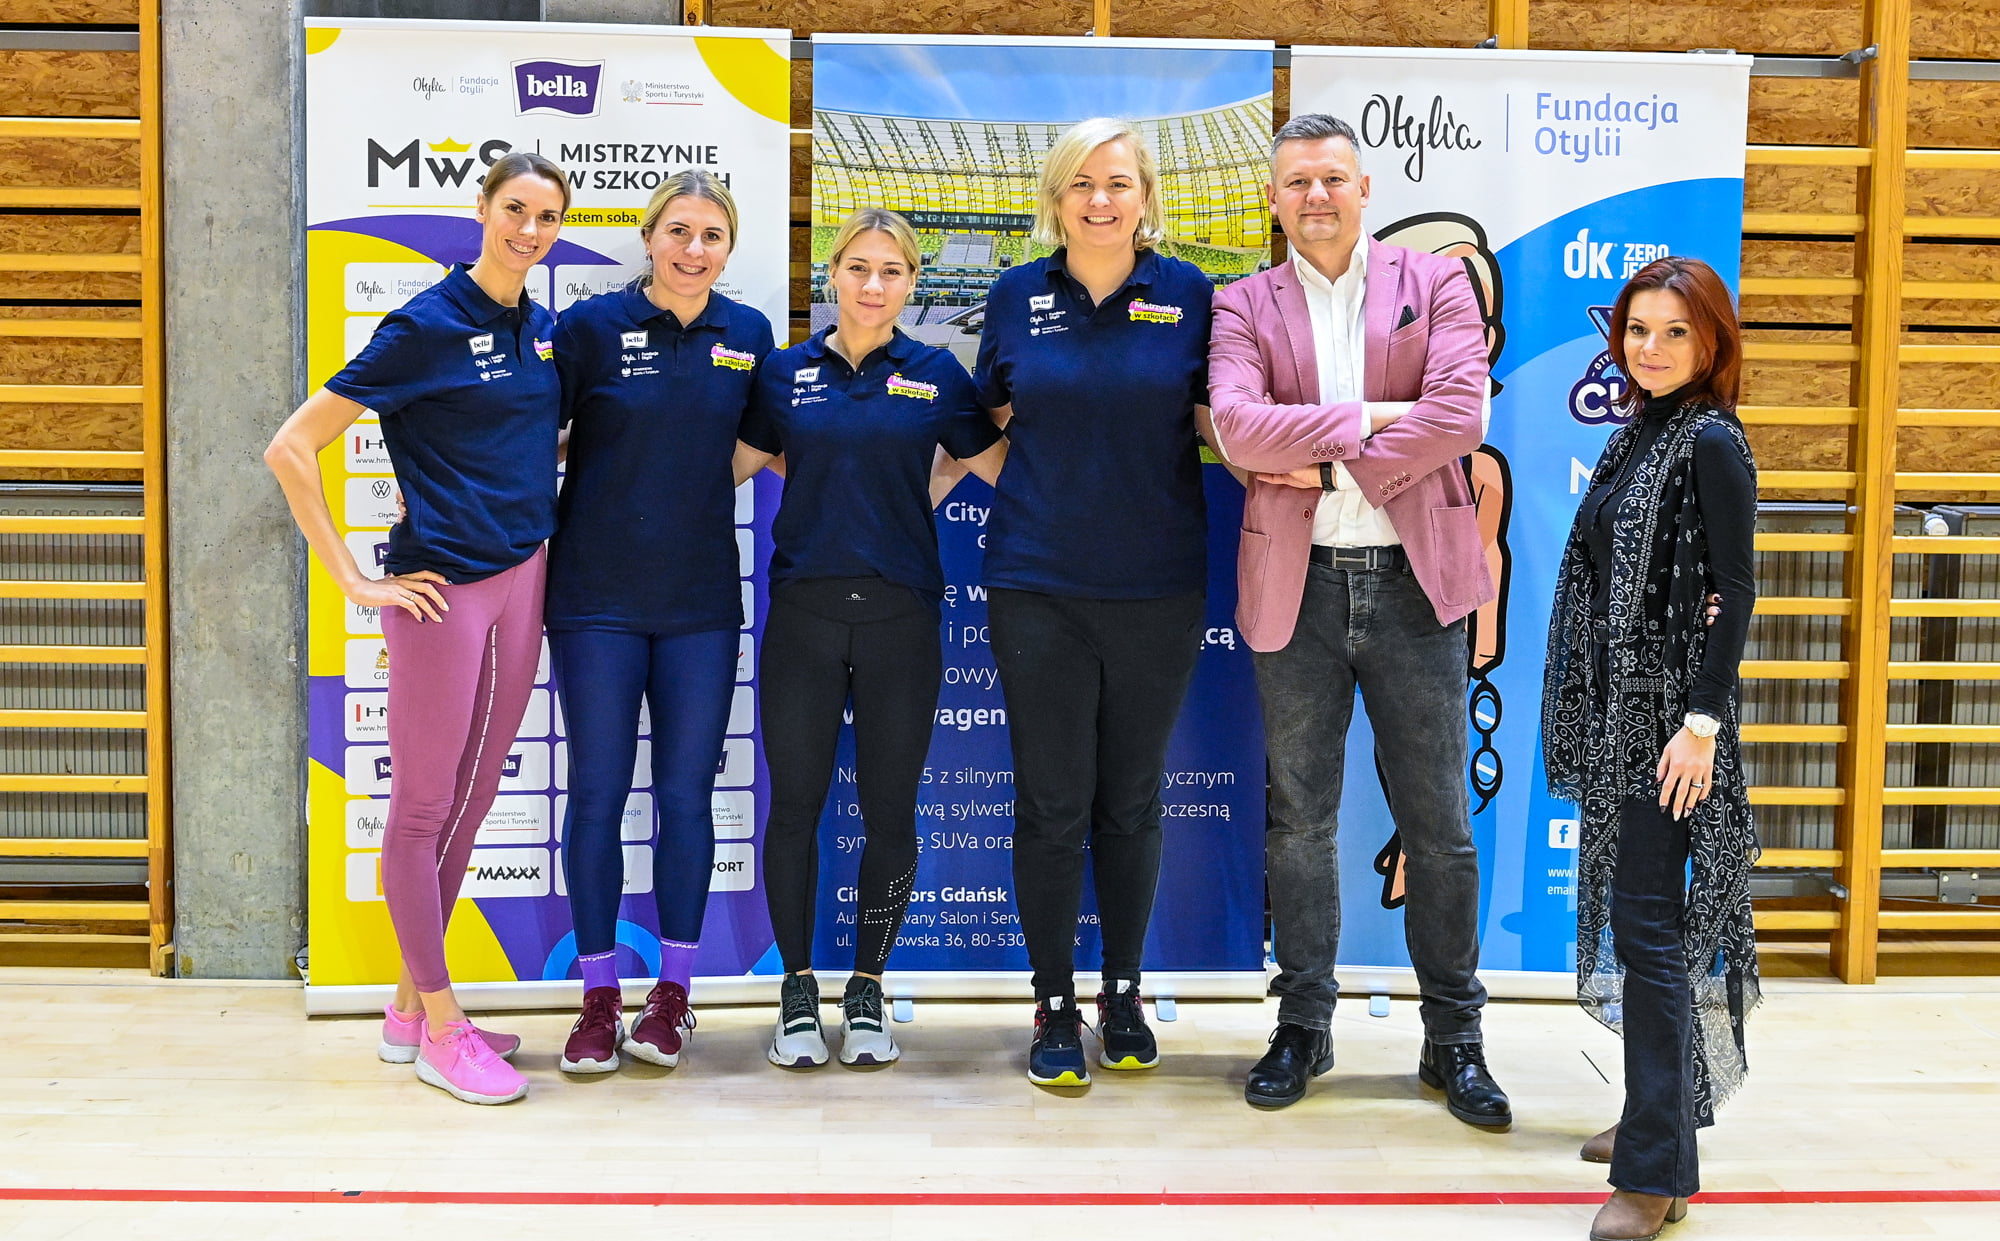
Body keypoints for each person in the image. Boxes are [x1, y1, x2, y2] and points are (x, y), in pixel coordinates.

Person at [1205, 113, 1509, 1125]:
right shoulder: (1241, 303)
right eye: (1297, 182)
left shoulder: (1438, 283)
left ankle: (1453, 1037)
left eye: (1332, 177)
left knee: (1438, 824)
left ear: (1363, 188)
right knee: (1299, 822)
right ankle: (1303, 1024)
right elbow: (1237, 427)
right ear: (1274, 198)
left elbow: (1462, 413)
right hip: (1296, 588)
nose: (1316, 196)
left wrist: (1327, 457)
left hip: (1416, 586)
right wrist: (1380, 418)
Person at [264, 152, 570, 1105]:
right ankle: (443, 1027)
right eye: (515, 209)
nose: (529, 230)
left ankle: (408, 1010)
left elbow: (521, 439)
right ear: (482, 210)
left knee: (474, 801)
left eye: (547, 217)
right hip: (444, 592)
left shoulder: (540, 327)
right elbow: (292, 446)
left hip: (526, 576)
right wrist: (355, 579)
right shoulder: (425, 325)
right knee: (423, 810)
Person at [973, 117, 1223, 1088]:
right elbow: (988, 415)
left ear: (1145, 195)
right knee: (1049, 802)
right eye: (1081, 183)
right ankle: (1051, 1001)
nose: (1100, 199)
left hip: (1158, 587)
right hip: (1036, 587)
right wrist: (1042, 491)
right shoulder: (1014, 296)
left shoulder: (1191, 294)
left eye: (1117, 182)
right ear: (1056, 197)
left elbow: (1220, 422)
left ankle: (1122, 991)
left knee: (1129, 800)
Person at [739, 208, 1006, 1069]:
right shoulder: (784, 373)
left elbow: (999, 465)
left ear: (912, 284)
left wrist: (924, 490)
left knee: (891, 811)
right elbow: (730, 462)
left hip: (902, 618)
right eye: (858, 266)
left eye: (892, 271)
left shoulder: (936, 373)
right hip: (805, 616)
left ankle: (866, 987)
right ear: (832, 274)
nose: (873, 284)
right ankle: (795, 988)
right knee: (797, 808)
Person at [1541, 256, 1758, 1241]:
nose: (1652, 347)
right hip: (1620, 718)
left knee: (1650, 934)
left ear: (1710, 339)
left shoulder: (1710, 438)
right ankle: (1653, 1116)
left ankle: (1655, 1176)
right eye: (1637, 329)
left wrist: (1700, 726)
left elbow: (1735, 590)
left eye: (1675, 331)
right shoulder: (1640, 432)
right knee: (1642, 932)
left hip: (1672, 728)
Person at [546, 172, 775, 1075]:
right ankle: (599, 997)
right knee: (597, 796)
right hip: (595, 601)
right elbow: (529, 430)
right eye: (679, 230)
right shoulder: (589, 329)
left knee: (684, 798)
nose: (694, 248)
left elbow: (762, 440)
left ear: (728, 248)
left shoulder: (748, 334)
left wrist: (690, 484)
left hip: (700, 606)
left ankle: (673, 992)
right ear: (649, 237)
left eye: (712, 235)